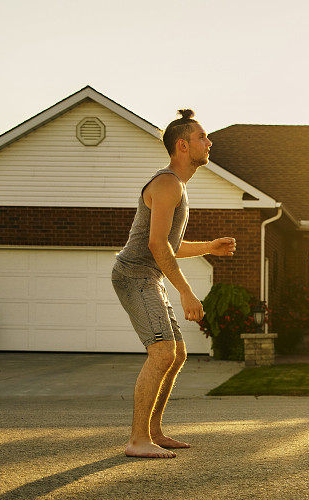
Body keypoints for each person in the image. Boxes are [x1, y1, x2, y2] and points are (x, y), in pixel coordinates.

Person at [111, 109, 236, 458]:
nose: (209, 142)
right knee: (162, 352)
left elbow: (171, 245)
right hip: (134, 274)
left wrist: (210, 247)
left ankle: (153, 432)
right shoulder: (167, 183)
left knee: (177, 354)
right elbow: (156, 244)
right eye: (202, 137)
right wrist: (185, 291)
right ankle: (137, 440)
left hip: (147, 275)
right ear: (182, 145)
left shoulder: (176, 186)